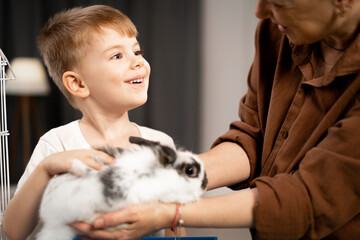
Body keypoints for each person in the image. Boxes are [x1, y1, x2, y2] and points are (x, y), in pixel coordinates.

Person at [70, 0, 360, 239]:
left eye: (278, 2)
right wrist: (172, 180)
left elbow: (309, 197)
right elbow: (253, 138)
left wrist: (169, 212)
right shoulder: (277, 32)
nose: (259, 12)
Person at [3, 5, 183, 239]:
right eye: (117, 55)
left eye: (136, 51)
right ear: (78, 84)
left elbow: (176, 226)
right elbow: (13, 232)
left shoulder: (160, 142)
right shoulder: (56, 144)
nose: (138, 62)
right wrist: (46, 169)